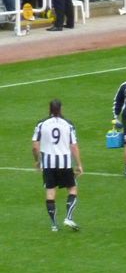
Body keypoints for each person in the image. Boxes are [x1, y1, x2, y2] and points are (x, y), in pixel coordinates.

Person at [32, 99, 83, 232]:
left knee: (50, 192)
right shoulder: (68, 124)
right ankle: (68, 217)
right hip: (64, 163)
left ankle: (54, 224)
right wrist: (79, 164)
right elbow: (74, 146)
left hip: (48, 164)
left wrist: (37, 161)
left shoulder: (41, 124)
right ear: (61, 109)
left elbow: (35, 146)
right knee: (72, 189)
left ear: (49, 109)